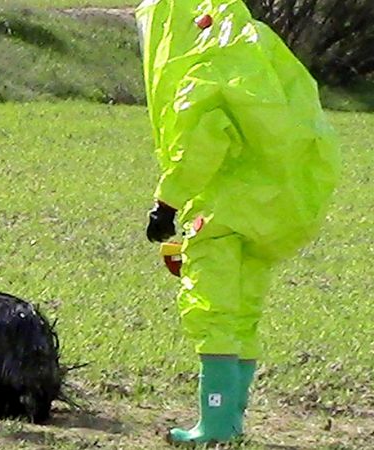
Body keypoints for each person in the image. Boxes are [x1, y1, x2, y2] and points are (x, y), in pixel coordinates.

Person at [136, 0, 340, 444]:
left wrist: (166, 204)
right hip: (269, 208)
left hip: (221, 212)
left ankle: (215, 425)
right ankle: (230, 421)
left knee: (212, 311)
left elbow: (202, 142)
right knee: (244, 313)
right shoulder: (257, 47)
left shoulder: (204, 64)